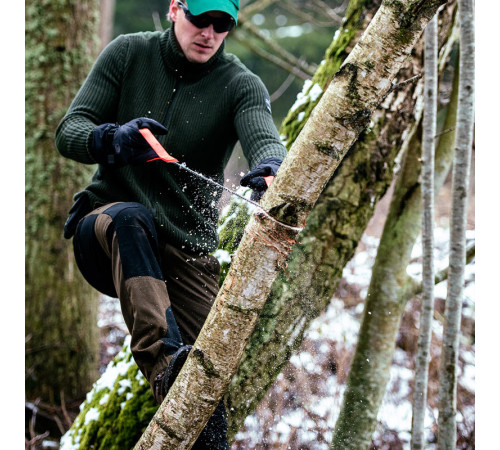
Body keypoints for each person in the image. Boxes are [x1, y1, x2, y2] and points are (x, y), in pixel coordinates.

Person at [56, 0, 287, 447]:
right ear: (174, 9)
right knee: (131, 218)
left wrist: (271, 167)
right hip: (105, 228)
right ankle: (163, 366)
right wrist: (112, 140)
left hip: (186, 252)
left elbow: (264, 136)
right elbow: (70, 130)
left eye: (223, 25)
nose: (210, 33)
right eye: (201, 19)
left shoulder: (240, 83)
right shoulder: (128, 53)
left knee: (209, 378)